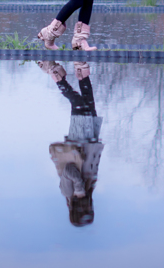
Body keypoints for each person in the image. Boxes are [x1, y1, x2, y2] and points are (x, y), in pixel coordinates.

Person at [38, 60, 103, 227]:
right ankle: (80, 65)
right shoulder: (89, 191)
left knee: (78, 104)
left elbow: (69, 170)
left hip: (79, 141)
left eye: (86, 211)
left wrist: (79, 189)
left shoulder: (67, 192)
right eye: (90, 210)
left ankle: (54, 73)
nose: (89, 207)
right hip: (90, 139)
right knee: (88, 99)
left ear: (78, 210)